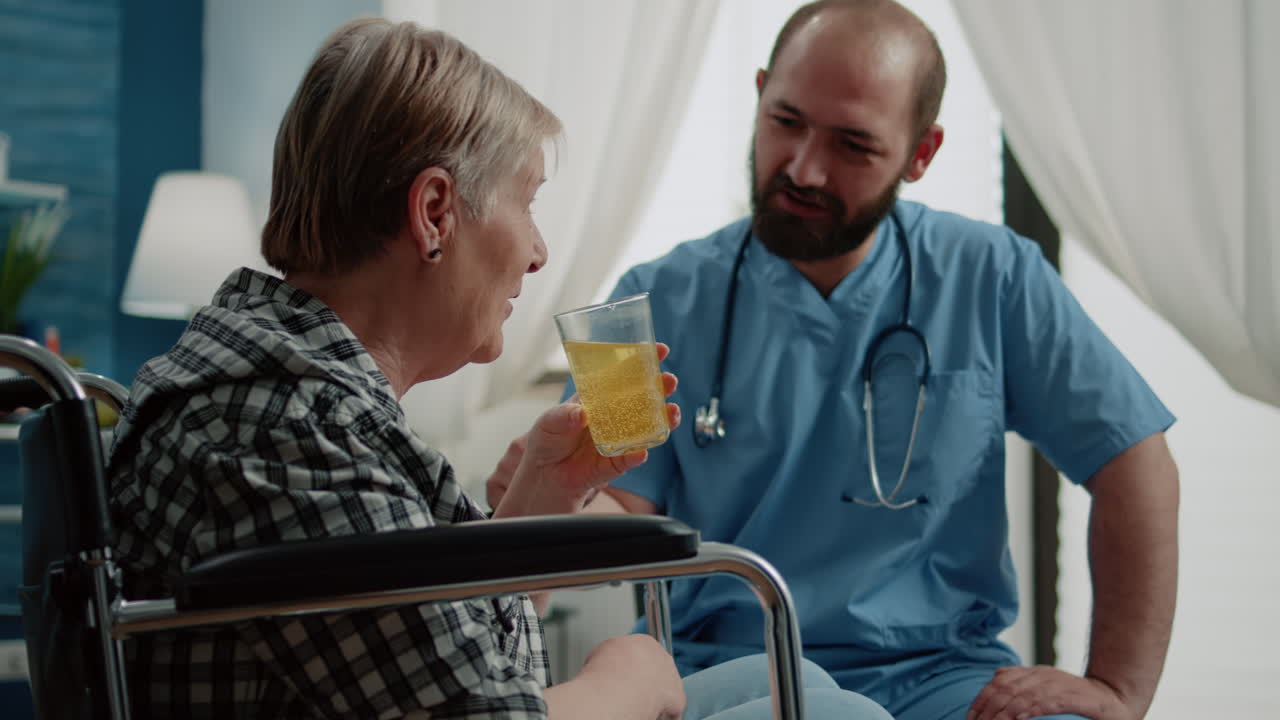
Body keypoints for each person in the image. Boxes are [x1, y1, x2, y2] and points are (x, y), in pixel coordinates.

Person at [107, 17, 891, 720]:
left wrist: (540, 501)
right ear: (435, 213)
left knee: (794, 684)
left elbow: (446, 649)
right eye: (528, 202)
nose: (539, 249)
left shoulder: (294, 393)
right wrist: (628, 680)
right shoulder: (281, 430)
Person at [487, 2, 1179, 719]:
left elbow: (1135, 462)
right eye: (786, 122)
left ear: (921, 153)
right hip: (726, 669)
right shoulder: (649, 299)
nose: (804, 169)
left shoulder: (994, 276)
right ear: (759, 95)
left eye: (853, 145)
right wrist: (552, 497)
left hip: (944, 680)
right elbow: (620, 503)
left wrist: (1116, 689)